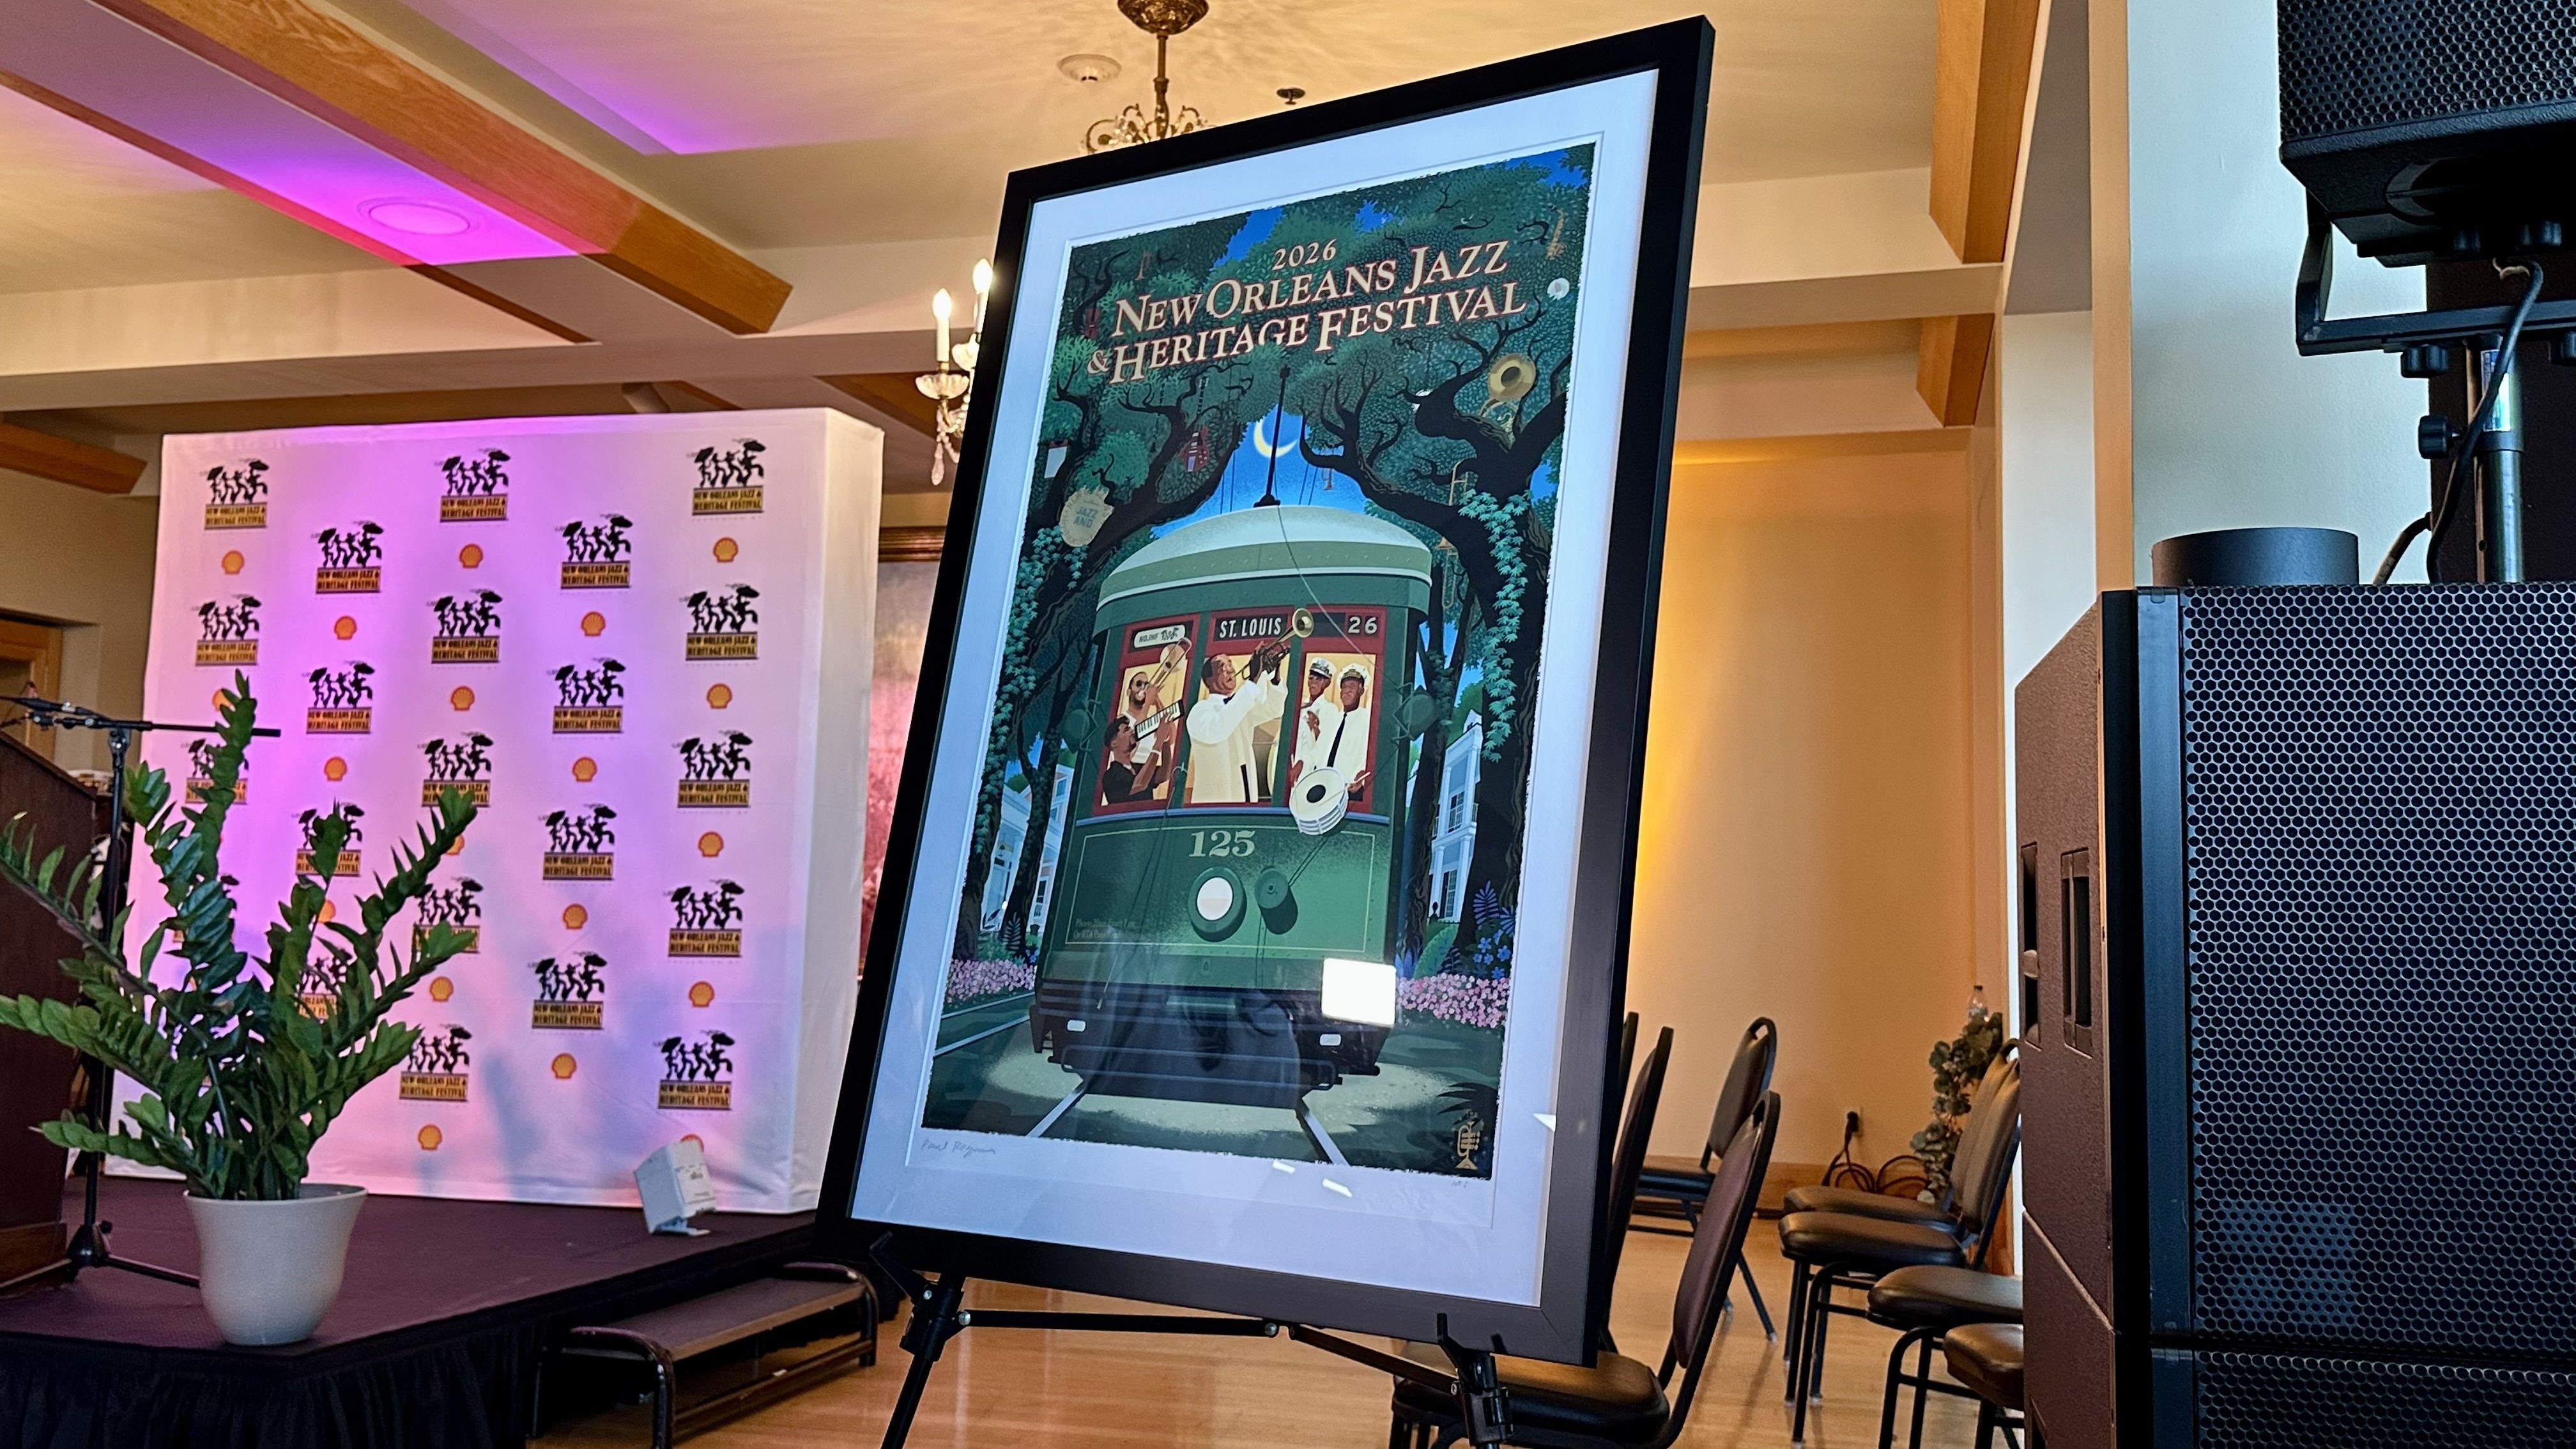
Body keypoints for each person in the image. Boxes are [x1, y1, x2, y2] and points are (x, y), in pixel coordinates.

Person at [1186, 650, 1279, 804]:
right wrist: (1252, 680)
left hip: (1246, 796)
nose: (1230, 670)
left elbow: (1272, 709)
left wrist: (1274, 679)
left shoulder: (1239, 705)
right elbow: (1218, 730)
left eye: (1231, 665)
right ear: (1209, 680)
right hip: (1213, 807)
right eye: (1222, 668)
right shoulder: (1200, 711)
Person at [1286, 656, 1342, 790]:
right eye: (1311, 678)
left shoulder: (1330, 710)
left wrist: (1302, 763)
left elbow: (1324, 745)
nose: (1314, 683)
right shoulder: (1299, 706)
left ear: (1327, 683)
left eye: (1319, 679)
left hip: (1309, 771)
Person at [1323, 664, 1373, 797]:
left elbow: (1370, 753)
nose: (1347, 691)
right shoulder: (1331, 720)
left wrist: (1363, 776)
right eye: (1344, 687)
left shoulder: (1367, 720)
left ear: (1361, 691)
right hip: (1325, 788)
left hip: (1350, 790)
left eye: (1352, 687)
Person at [1098, 716, 1167, 805]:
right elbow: (1140, 785)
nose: (1132, 731)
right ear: (1114, 744)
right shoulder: (1111, 776)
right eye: (1126, 730)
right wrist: (1159, 741)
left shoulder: (1137, 768)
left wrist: (1166, 740)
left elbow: (1164, 774)